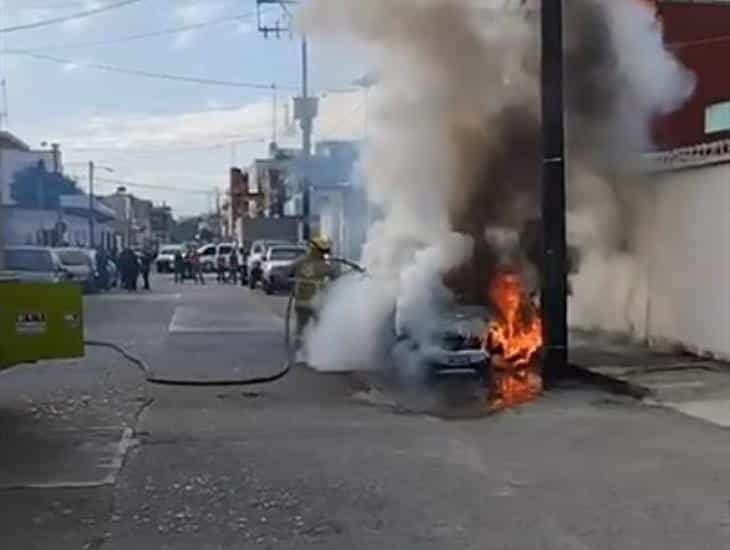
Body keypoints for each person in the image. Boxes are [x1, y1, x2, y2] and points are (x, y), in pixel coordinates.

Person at [293, 236, 338, 351]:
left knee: (301, 329)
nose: (325, 254)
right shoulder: (324, 266)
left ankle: (301, 353)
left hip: (301, 302)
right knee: (320, 327)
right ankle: (318, 350)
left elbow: (284, 272)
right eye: (324, 251)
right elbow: (336, 277)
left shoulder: (300, 262)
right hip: (315, 303)